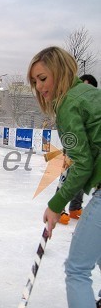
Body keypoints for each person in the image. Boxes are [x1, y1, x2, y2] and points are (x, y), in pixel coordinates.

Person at [28, 46, 101, 308]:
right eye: (35, 82)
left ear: (60, 70)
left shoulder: (69, 103)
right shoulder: (90, 93)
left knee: (77, 268)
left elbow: (82, 163)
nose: (40, 87)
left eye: (43, 78)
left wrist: (56, 204)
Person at [58, 74, 99, 224]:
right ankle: (60, 209)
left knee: (83, 177)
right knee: (66, 178)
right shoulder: (72, 104)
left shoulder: (95, 106)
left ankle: (75, 208)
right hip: (73, 149)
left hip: (88, 152)